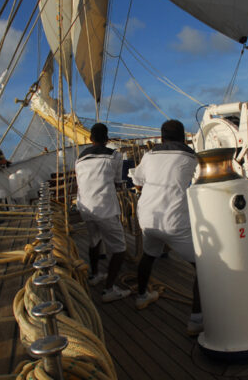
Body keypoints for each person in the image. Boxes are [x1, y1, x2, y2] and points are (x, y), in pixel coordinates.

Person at [131, 119, 202, 336]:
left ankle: (142, 296)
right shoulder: (191, 156)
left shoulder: (149, 156)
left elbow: (137, 180)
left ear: (162, 138)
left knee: (148, 255)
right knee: (204, 265)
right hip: (173, 222)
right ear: (183, 138)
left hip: (148, 218)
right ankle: (196, 320)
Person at [75, 123, 131, 303]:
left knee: (94, 240)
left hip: (85, 208)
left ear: (90, 139)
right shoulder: (114, 155)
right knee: (120, 249)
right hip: (104, 209)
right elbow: (116, 181)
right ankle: (109, 290)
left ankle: (95, 274)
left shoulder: (80, 159)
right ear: (107, 139)